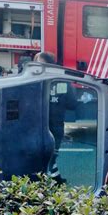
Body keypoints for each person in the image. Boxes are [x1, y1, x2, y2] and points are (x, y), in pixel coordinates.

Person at [34, 52, 77, 183]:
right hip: (40, 128)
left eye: (39, 65)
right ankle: (55, 180)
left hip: (50, 128)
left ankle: (55, 181)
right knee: (47, 157)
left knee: (50, 157)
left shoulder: (33, 81)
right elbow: (72, 104)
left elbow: (72, 103)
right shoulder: (61, 81)